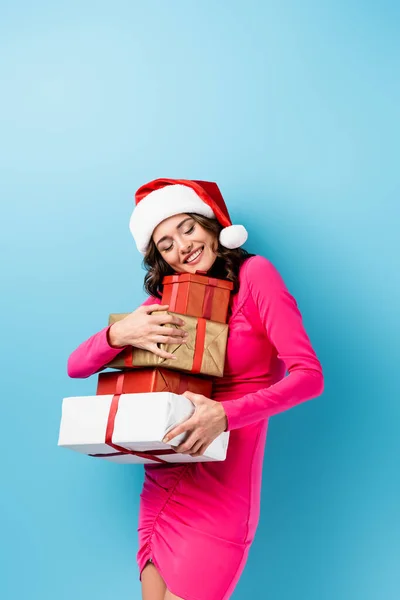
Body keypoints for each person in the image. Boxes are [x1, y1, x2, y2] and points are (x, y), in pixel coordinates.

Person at [67, 178, 324, 600]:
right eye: (166, 244)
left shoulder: (255, 275)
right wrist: (119, 333)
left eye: (186, 228)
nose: (181, 246)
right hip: (163, 482)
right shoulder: (168, 304)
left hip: (222, 490)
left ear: (210, 226)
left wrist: (224, 414)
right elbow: (76, 366)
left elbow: (309, 376)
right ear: (160, 259)